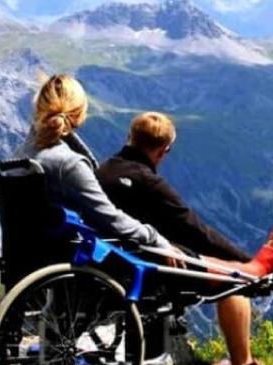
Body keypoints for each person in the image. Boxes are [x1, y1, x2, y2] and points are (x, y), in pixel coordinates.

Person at [96, 111, 273, 365]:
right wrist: (244, 259)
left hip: (110, 260)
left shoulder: (101, 171)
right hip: (148, 266)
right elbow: (194, 230)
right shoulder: (150, 183)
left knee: (224, 269)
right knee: (234, 279)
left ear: (129, 137)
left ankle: (250, 272)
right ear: (164, 151)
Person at [12, 74, 171, 250]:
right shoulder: (68, 164)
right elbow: (110, 219)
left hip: (24, 253)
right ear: (80, 114)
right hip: (66, 255)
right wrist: (154, 237)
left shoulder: (21, 154)